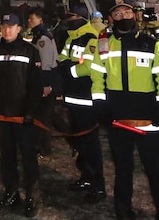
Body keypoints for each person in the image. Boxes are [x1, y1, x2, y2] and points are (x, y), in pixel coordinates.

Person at [91, 0, 159, 220]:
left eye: (126, 13)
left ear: (134, 15)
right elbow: (97, 76)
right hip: (117, 118)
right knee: (123, 169)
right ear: (111, 19)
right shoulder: (104, 45)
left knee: (156, 171)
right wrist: (99, 104)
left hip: (149, 118)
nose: (123, 18)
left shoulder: (151, 43)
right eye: (117, 15)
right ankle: (123, 212)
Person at [0, 12, 42, 218]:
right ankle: (11, 193)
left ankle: (32, 197)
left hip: (23, 117)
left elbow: (35, 86)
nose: (7, 29)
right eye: (4, 26)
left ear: (20, 29)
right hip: (3, 115)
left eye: (11, 26)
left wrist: (30, 111)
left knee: (28, 158)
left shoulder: (30, 51)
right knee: (6, 157)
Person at [57, 17, 105, 203]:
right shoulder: (71, 38)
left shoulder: (91, 38)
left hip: (87, 100)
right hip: (72, 100)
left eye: (73, 17)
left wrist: (69, 72)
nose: (69, 21)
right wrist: (69, 67)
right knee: (79, 144)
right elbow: (62, 59)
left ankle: (98, 186)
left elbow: (89, 68)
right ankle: (85, 178)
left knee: (91, 146)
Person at [27, 8, 57, 158]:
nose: (29, 21)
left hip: (44, 81)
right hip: (41, 80)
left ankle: (44, 148)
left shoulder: (43, 38)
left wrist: (45, 85)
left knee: (44, 117)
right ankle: (40, 145)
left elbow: (45, 63)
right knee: (41, 116)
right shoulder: (39, 35)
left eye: (32, 19)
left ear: (40, 20)